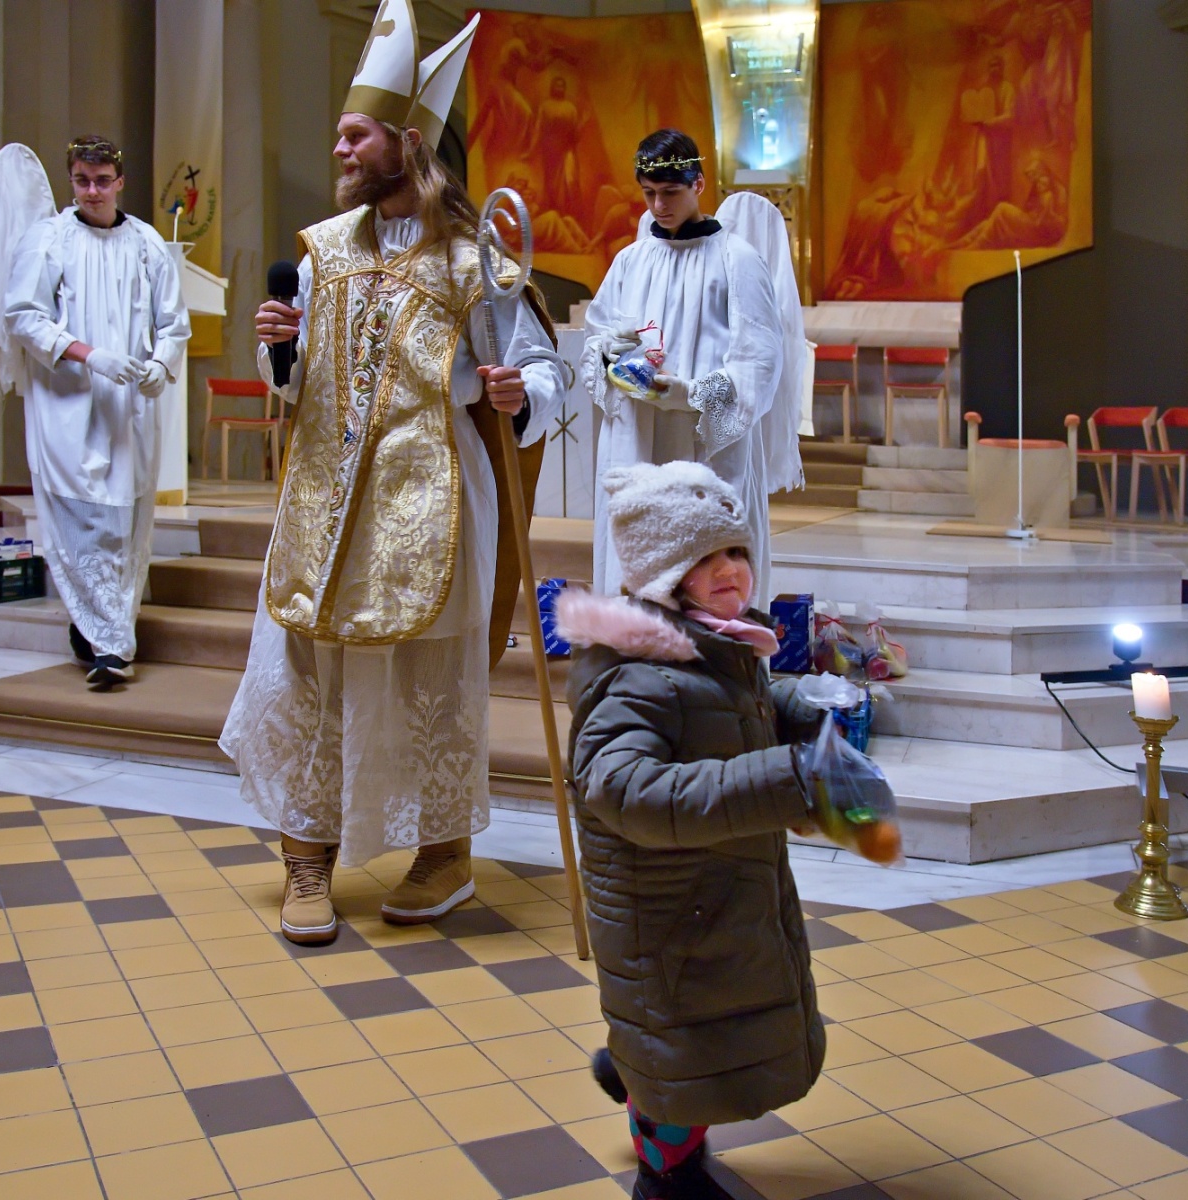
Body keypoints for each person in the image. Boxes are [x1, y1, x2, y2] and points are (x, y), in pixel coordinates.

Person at [219, 0, 567, 945]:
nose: (339, 147)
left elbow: (548, 373)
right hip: (324, 504)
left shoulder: (473, 261)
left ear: (406, 144)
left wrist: (518, 393)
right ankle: (305, 859)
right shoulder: (324, 251)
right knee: (306, 676)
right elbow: (296, 384)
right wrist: (279, 350)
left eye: (354, 134)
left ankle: (443, 854)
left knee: (431, 682)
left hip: (433, 499)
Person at [554, 461, 896, 1200]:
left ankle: (641, 1071)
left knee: (698, 1034)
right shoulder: (634, 677)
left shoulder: (716, 647)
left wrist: (799, 707)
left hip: (718, 893)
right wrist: (789, 779)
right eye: (704, 558)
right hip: (669, 911)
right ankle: (666, 1175)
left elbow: (729, 711)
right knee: (686, 1043)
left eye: (736, 551)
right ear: (663, 574)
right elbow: (627, 789)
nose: (729, 570)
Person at [5, 135, 191, 688]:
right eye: (82, 181)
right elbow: (24, 315)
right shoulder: (49, 239)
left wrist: (160, 364)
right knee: (84, 514)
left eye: (102, 181)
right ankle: (109, 644)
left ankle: (102, 634)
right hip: (68, 400)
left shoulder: (147, 242)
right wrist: (89, 355)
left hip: (130, 405)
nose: (92, 191)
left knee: (124, 519)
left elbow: (174, 322)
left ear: (119, 182)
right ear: (72, 181)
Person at [579, 130, 794, 601]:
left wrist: (688, 394)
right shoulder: (630, 261)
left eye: (670, 192)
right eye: (648, 193)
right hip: (637, 440)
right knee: (637, 568)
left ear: (698, 184)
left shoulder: (737, 260)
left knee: (703, 572)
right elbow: (596, 338)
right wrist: (610, 353)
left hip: (705, 448)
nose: (658, 206)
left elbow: (758, 363)